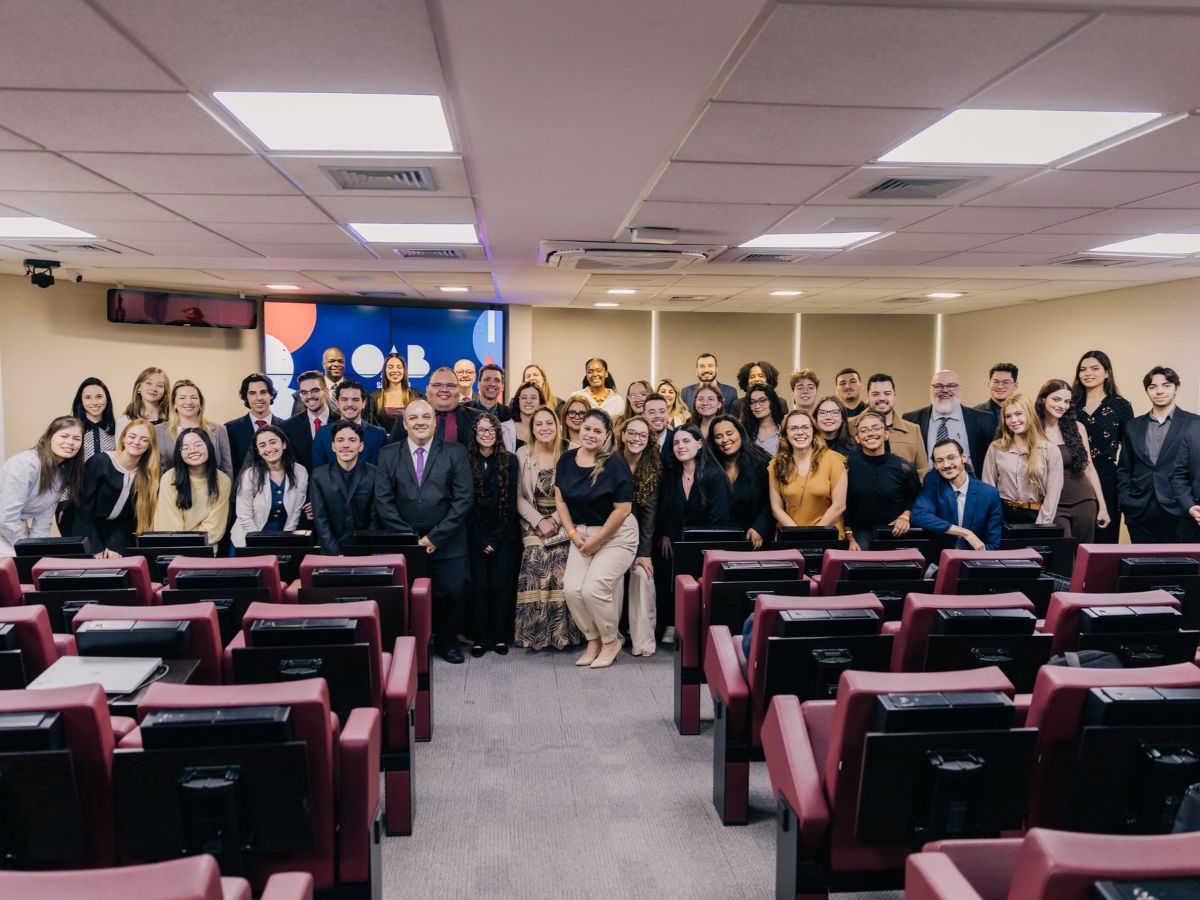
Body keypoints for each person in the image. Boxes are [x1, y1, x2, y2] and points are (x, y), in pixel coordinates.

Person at [375, 400, 474, 664]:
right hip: (404, 542)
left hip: (448, 540)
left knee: (452, 593)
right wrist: (412, 540)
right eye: (414, 417)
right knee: (406, 595)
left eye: (426, 416)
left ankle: (447, 641)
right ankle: (413, 644)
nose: (420, 421)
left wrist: (434, 538)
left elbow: (463, 499)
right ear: (405, 423)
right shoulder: (388, 454)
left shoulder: (456, 452)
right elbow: (383, 501)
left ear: (435, 421)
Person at [554, 409, 637, 670]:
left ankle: (611, 640)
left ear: (607, 435)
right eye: (586, 428)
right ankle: (593, 639)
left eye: (597, 431)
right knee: (571, 589)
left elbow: (623, 510)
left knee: (593, 589)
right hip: (581, 533)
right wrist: (571, 533)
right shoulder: (567, 459)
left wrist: (598, 540)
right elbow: (560, 500)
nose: (590, 434)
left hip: (617, 534)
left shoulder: (614, 463)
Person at [514, 406, 579, 651]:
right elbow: (518, 496)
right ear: (532, 429)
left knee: (562, 558)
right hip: (532, 519)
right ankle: (535, 633)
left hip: (566, 516)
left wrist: (554, 518)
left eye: (549, 423)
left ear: (557, 424)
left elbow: (575, 493)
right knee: (535, 557)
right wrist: (539, 521)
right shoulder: (523, 453)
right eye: (538, 424)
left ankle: (563, 634)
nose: (544, 428)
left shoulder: (572, 451)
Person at [1117, 366, 1198, 543]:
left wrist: (1191, 504)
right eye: (1153, 387)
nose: (1159, 391)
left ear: (1176, 388)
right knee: (1142, 567)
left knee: (1178, 568)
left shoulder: (1194, 423)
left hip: (1179, 509)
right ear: (1147, 390)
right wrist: (1125, 500)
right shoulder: (1133, 426)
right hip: (1139, 509)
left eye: (1166, 385)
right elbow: (1124, 468)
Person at [465, 412, 520, 657]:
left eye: (491, 430)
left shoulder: (510, 460)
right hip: (474, 535)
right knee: (480, 587)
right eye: (481, 430)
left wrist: (495, 539)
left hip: (503, 535)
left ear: (498, 434)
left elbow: (510, 504)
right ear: (474, 434)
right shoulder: (465, 460)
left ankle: (499, 637)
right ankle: (480, 637)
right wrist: (480, 540)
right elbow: (465, 505)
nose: (486, 435)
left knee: (500, 586)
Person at [65, 419, 159, 557]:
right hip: (83, 527)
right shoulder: (99, 462)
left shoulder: (147, 474)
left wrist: (116, 545)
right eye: (132, 436)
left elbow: (129, 519)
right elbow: (82, 510)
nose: (137, 442)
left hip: (117, 532)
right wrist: (95, 548)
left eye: (144, 439)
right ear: (124, 438)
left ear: (150, 445)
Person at [0, 416, 85, 556]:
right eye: (64, 436)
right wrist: (26, 550)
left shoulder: (63, 473)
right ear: (49, 437)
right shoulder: (25, 464)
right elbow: (7, 516)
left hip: (14, 527)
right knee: (15, 565)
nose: (70, 442)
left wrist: (36, 551)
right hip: (5, 524)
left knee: (38, 562)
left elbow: (44, 518)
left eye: (77, 439)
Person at [1037, 379, 1109, 542]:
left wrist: (1103, 507)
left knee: (1083, 555)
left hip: (1084, 500)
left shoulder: (1077, 428)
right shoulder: (1032, 430)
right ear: (1043, 399)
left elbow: (1089, 469)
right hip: (1053, 504)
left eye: (1067, 401)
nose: (1062, 405)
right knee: (1062, 557)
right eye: (1056, 399)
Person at [1073, 349, 1134, 544]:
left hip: (1107, 475)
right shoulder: (1069, 404)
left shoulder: (1120, 405)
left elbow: (1129, 449)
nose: (1088, 373)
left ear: (1107, 372)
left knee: (1104, 535)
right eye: (1083, 369)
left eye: (1094, 368)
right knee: (1075, 535)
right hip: (1074, 474)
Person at [617, 414, 663, 656]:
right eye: (632, 433)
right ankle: (611, 637)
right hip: (611, 536)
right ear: (623, 435)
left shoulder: (653, 467)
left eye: (642, 435)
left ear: (649, 440)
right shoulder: (610, 461)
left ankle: (643, 640)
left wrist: (644, 553)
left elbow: (650, 516)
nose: (636, 438)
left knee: (642, 575)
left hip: (639, 539)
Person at [981, 394, 1063, 525]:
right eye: (1008, 416)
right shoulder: (996, 447)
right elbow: (988, 486)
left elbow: (1052, 495)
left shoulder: (1050, 450)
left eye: (1019, 413)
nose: (1013, 420)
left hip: (1035, 516)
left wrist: (1041, 526)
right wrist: (993, 520)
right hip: (1002, 515)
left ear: (1030, 414)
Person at [843, 411, 920, 551]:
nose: (870, 433)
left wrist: (906, 516)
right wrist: (850, 537)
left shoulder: (904, 467)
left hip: (894, 532)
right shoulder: (847, 465)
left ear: (886, 434)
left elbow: (916, 496)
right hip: (859, 533)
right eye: (864, 430)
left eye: (876, 428)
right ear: (857, 438)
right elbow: (843, 505)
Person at [911, 438, 1003, 550]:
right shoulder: (933, 483)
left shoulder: (988, 494)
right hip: (938, 560)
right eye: (939, 461)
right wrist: (966, 533)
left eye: (951, 458)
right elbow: (918, 515)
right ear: (935, 465)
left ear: (963, 457)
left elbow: (993, 545)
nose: (946, 465)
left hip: (974, 561)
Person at [903, 369, 996, 475]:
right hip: (927, 487)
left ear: (960, 389)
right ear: (930, 389)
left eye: (951, 386)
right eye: (938, 386)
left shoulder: (984, 420)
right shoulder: (911, 420)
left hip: (970, 488)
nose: (945, 390)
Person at [768, 410, 847, 534]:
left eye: (805, 427)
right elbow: (776, 509)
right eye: (793, 428)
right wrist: (799, 535)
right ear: (785, 433)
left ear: (813, 431)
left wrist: (814, 535)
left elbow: (839, 506)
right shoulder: (776, 464)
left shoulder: (834, 460)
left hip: (827, 535)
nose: (800, 432)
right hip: (790, 535)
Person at [230, 424, 308, 547]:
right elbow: (244, 517)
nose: (269, 448)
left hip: (282, 540)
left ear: (284, 444)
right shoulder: (250, 475)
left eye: (273, 442)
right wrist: (258, 545)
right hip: (248, 540)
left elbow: (295, 515)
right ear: (258, 451)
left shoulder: (300, 472)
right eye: (262, 445)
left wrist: (284, 541)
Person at [153, 427, 232, 544]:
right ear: (179, 453)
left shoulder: (223, 480)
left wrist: (192, 544)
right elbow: (168, 523)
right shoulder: (169, 478)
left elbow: (214, 527)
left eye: (198, 445)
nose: (193, 450)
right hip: (173, 546)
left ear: (209, 447)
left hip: (206, 545)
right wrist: (185, 545)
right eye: (185, 447)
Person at [309, 420, 377, 555]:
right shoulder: (319, 476)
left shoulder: (374, 474)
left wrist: (363, 550)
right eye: (340, 440)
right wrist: (335, 553)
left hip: (365, 550)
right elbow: (320, 519)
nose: (346, 445)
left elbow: (375, 518)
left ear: (361, 446)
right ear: (333, 446)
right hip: (330, 550)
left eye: (352, 440)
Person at [850, 373, 930, 479]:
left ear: (894, 396)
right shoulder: (850, 427)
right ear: (868, 397)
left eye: (887, 393)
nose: (882, 398)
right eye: (875, 394)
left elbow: (922, 471)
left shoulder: (913, 430)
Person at [709, 415, 771, 549]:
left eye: (729, 433)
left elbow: (772, 500)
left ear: (740, 433)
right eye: (718, 436)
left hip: (755, 539)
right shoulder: (710, 467)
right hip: (721, 541)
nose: (725, 440)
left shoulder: (762, 461)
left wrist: (760, 528)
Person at [155, 380, 233, 479]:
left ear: (200, 403)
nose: (189, 402)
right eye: (182, 398)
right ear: (174, 404)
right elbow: (154, 470)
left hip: (212, 490)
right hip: (171, 490)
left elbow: (227, 470)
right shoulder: (158, 431)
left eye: (194, 397)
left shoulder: (218, 430)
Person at [389, 367, 478, 448]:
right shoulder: (406, 417)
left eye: (450, 385)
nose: (444, 390)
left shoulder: (476, 418)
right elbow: (393, 454)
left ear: (459, 390)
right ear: (427, 389)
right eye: (437, 385)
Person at [312, 380, 387, 467]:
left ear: (364, 403)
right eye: (344, 399)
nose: (350, 404)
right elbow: (317, 473)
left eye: (355, 400)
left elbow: (383, 472)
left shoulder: (378, 435)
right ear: (337, 403)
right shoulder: (323, 434)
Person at [225, 372, 285, 480]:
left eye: (263, 392)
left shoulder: (286, 427)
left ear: (271, 395)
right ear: (246, 397)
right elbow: (228, 468)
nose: (259, 398)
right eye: (252, 393)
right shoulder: (230, 429)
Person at [282, 369, 339, 471]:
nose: (309, 396)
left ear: (326, 392)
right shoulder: (288, 427)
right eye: (304, 392)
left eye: (315, 391)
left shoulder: (342, 423)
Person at [367, 352, 423, 432]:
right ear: (385, 371)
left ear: (404, 370)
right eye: (390, 367)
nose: (395, 370)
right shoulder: (374, 397)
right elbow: (371, 427)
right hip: (384, 444)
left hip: (410, 443)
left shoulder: (417, 395)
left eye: (399, 367)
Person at [469, 364, 516, 451]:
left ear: (502, 386)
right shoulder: (463, 410)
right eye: (487, 379)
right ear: (478, 384)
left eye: (497, 380)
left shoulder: (510, 415)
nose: (492, 384)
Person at [289, 347, 345, 416]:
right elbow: (297, 423)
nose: (336, 364)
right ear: (323, 364)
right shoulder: (303, 395)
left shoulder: (356, 392)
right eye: (331, 361)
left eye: (340, 361)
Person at [71, 377, 116, 461]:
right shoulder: (72, 429)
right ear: (81, 401)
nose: (94, 402)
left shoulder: (117, 429)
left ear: (107, 400)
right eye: (88, 397)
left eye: (99, 396)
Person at [117, 366, 169, 432]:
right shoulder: (124, 422)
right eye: (149, 383)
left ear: (165, 391)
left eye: (159, 385)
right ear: (139, 387)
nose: (154, 389)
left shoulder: (172, 420)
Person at [739, 383, 785, 456]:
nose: (757, 406)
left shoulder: (784, 429)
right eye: (753, 402)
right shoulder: (743, 430)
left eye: (762, 400)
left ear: (772, 402)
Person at [509, 381, 543, 448]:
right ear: (518, 402)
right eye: (524, 398)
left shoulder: (547, 428)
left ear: (540, 402)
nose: (528, 401)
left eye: (533, 398)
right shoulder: (506, 429)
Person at [643, 392, 674, 457]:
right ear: (644, 416)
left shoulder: (676, 440)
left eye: (662, 411)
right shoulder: (639, 441)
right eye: (652, 412)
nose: (657, 416)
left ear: (667, 414)